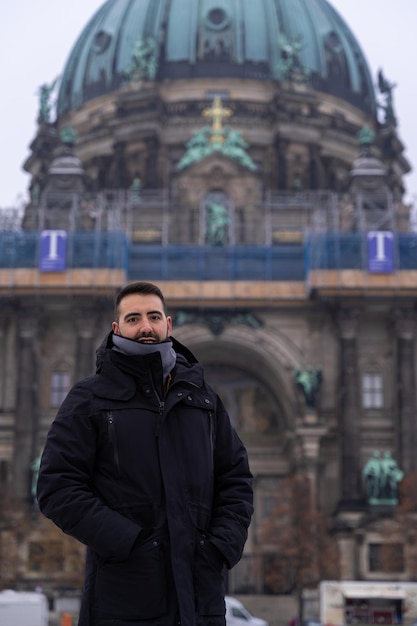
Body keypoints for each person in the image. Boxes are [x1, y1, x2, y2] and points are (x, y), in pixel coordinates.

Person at [37, 281, 254, 626]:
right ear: (117, 328)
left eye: (153, 316)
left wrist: (220, 547)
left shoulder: (204, 398)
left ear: (168, 324)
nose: (145, 327)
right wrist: (131, 543)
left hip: (200, 600)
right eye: (133, 318)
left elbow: (236, 478)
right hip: (123, 598)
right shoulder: (89, 398)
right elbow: (56, 487)